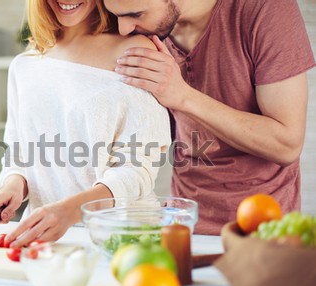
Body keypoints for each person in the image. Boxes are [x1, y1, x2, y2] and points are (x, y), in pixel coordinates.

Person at [104, 0, 316, 235]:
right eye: (116, 16)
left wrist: (182, 95)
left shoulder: (266, 8)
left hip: (261, 225)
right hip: (184, 219)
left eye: (135, 14)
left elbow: (286, 145)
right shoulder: (148, 29)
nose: (122, 29)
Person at [0, 0, 171, 247]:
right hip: (45, 240)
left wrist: (72, 211)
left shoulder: (135, 51)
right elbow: (19, 153)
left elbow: (137, 170)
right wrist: (13, 184)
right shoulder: (24, 65)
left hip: (121, 239)